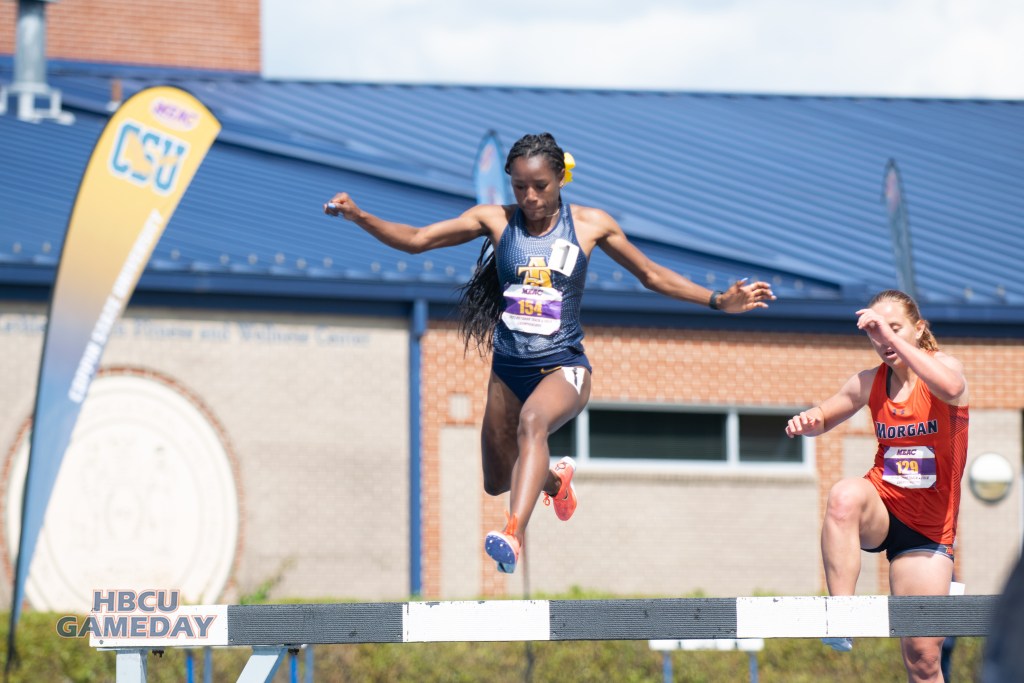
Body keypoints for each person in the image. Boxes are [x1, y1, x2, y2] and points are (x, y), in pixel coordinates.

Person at [325, 132, 775, 574]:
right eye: (520, 187)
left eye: (540, 186)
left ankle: (512, 534)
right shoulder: (496, 220)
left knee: (533, 423)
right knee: (498, 478)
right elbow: (418, 238)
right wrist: (360, 216)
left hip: (563, 367)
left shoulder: (591, 224)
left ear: (560, 178)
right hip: (508, 368)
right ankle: (557, 483)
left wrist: (718, 300)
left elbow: (652, 275)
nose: (531, 197)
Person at [786, 289, 969, 682]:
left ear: (918, 330)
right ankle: (841, 614)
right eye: (874, 333)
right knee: (843, 495)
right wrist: (809, 421)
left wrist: (894, 336)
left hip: (929, 531)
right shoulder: (871, 381)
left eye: (893, 329)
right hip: (883, 507)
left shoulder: (943, 368)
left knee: (922, 658)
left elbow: (952, 390)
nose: (883, 341)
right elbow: (826, 413)